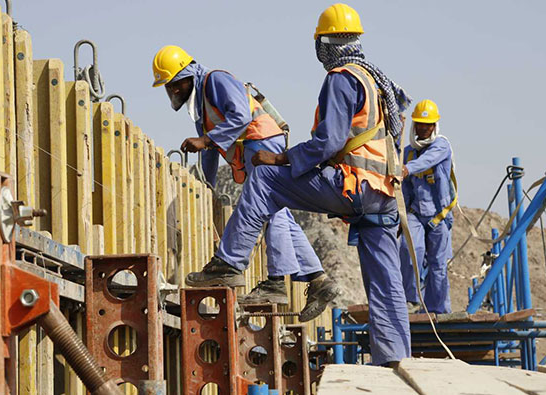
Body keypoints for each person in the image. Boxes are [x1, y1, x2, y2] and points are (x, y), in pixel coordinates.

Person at [175, 3, 414, 363]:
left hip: (356, 185)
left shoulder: (341, 78)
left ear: (323, 44)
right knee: (385, 281)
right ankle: (395, 358)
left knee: (267, 179)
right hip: (383, 192)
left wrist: (282, 157)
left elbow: (328, 142)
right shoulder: (371, 78)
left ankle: (230, 264)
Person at [151, 45, 326, 305]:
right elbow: (210, 151)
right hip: (257, 146)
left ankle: (275, 281)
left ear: (188, 73)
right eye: (168, 86)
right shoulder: (202, 106)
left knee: (268, 208)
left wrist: (206, 140)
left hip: (262, 144)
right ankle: (318, 277)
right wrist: (204, 187)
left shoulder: (215, 80)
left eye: (176, 83)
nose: (173, 90)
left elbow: (241, 116)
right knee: (278, 211)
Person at [400, 99, 454, 314]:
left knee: (438, 265)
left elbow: (427, 161)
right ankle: (412, 300)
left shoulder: (441, 146)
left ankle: (439, 309)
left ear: (434, 126)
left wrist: (406, 168)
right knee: (409, 249)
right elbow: (405, 188)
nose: (423, 128)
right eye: (420, 124)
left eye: (428, 124)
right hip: (415, 213)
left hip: (438, 214)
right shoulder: (408, 152)